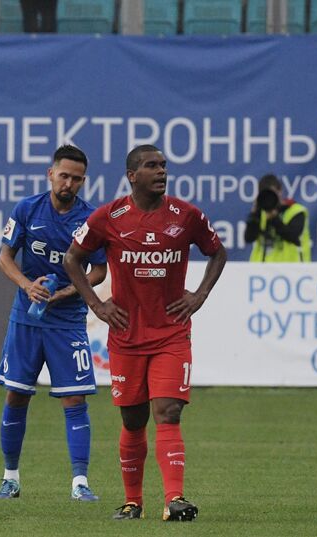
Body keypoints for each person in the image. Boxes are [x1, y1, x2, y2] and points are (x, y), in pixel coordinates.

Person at [64, 145, 227, 522]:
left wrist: (199, 295)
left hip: (171, 334)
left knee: (167, 411)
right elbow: (72, 258)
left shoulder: (186, 216)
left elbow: (217, 252)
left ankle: (174, 500)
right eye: (152, 166)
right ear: (132, 175)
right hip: (127, 337)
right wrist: (97, 305)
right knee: (133, 420)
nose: (161, 172)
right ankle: (133, 502)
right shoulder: (109, 217)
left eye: (164, 166)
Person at [0, 145, 107, 502]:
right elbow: (4, 258)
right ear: (50, 174)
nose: (68, 184)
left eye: (76, 178)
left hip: (69, 321)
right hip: (26, 319)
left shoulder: (91, 220)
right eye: (64, 176)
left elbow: (100, 270)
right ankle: (10, 477)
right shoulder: (28, 209)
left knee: (74, 400)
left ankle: (80, 483)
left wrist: (68, 291)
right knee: (16, 395)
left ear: (83, 181)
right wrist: (27, 286)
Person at [244, 173, 311, 262]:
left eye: (272, 194)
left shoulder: (296, 211)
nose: (269, 198)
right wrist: (254, 213)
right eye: (265, 195)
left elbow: (292, 236)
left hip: (292, 270)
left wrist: (274, 218)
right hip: (261, 271)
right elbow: (249, 238)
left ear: (280, 191)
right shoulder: (261, 213)